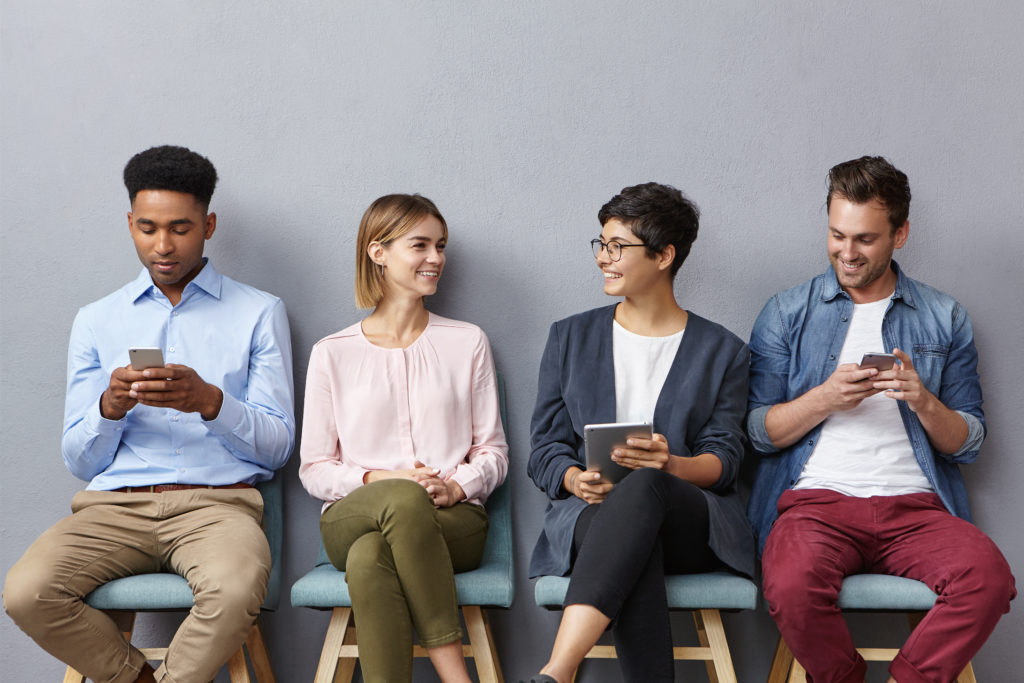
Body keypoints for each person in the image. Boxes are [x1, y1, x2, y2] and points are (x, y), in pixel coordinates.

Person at [3, 145, 295, 683]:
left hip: (218, 508)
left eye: (181, 228)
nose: (163, 246)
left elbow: (278, 447)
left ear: (208, 224)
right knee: (25, 591)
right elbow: (78, 459)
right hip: (111, 509)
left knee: (233, 592)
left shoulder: (259, 312)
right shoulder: (95, 320)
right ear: (130, 224)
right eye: (148, 227)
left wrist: (210, 402)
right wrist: (108, 408)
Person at [747, 156, 1016, 683]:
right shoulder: (786, 312)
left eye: (865, 240)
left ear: (901, 233)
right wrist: (823, 399)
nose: (846, 253)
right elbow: (757, 433)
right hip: (817, 505)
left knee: (988, 577)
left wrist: (923, 400)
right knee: (791, 584)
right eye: (836, 235)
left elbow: (970, 443)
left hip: (916, 509)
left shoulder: (945, 316)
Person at [523, 183, 755, 683]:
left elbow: (726, 459)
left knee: (646, 486)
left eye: (618, 247)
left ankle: (559, 668)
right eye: (601, 245)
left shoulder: (724, 351)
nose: (604, 258)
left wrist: (671, 465)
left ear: (664, 255)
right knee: (632, 534)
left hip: (688, 523)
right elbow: (544, 448)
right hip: (592, 515)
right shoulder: (569, 338)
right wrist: (572, 479)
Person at [298, 193, 508, 683]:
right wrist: (383, 478)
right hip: (351, 516)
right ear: (378, 252)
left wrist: (457, 486)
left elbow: (493, 451)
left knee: (370, 558)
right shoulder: (333, 353)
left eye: (441, 246)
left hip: (454, 522)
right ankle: (457, 676)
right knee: (397, 497)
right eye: (420, 246)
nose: (436, 258)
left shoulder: (467, 341)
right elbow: (314, 468)